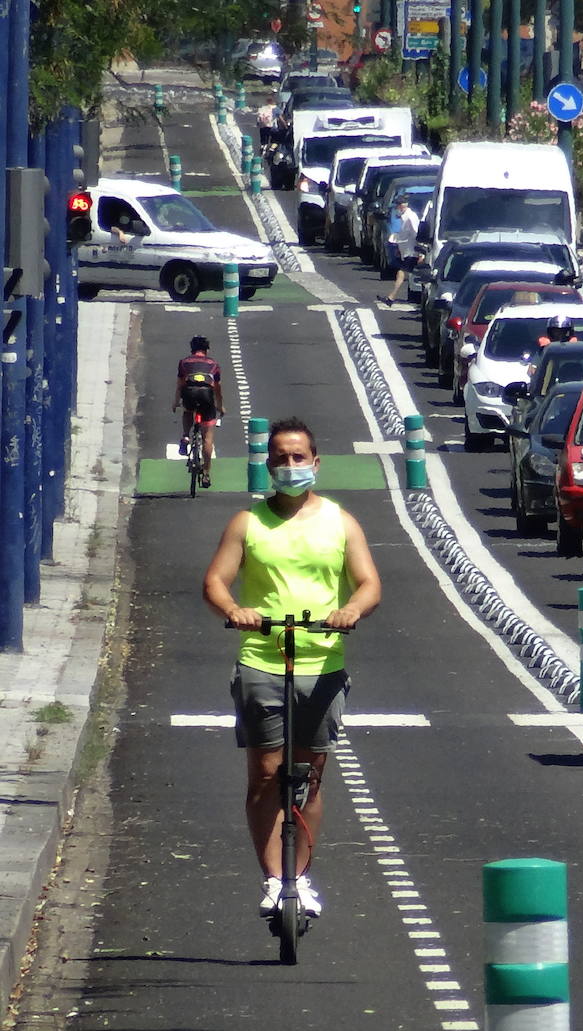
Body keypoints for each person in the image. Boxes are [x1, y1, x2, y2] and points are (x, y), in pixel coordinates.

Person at [202, 417, 382, 919]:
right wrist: (235, 610)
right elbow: (216, 581)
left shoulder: (341, 522)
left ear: (316, 463)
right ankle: (273, 879)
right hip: (263, 658)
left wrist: (350, 611)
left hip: (322, 663)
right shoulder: (247, 523)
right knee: (264, 774)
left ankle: (299, 878)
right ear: (268, 465)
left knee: (309, 775)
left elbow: (369, 583)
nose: (289, 465)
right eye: (280, 457)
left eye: (298, 456)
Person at [173, 336, 224, 488]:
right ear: (207, 350)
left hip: (189, 393)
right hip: (207, 396)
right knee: (208, 437)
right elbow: (217, 388)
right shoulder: (213, 364)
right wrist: (220, 406)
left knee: (188, 410)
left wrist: (175, 402)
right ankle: (206, 474)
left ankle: (185, 437)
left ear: (192, 349)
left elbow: (180, 385)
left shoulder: (184, 362)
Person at [377, 195, 420, 307]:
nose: (396, 208)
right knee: (404, 274)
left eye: (397, 206)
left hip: (412, 251)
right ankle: (391, 297)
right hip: (406, 251)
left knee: (403, 273)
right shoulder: (405, 217)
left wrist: (421, 252)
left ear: (402, 206)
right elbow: (403, 235)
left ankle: (391, 297)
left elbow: (416, 234)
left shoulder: (410, 217)